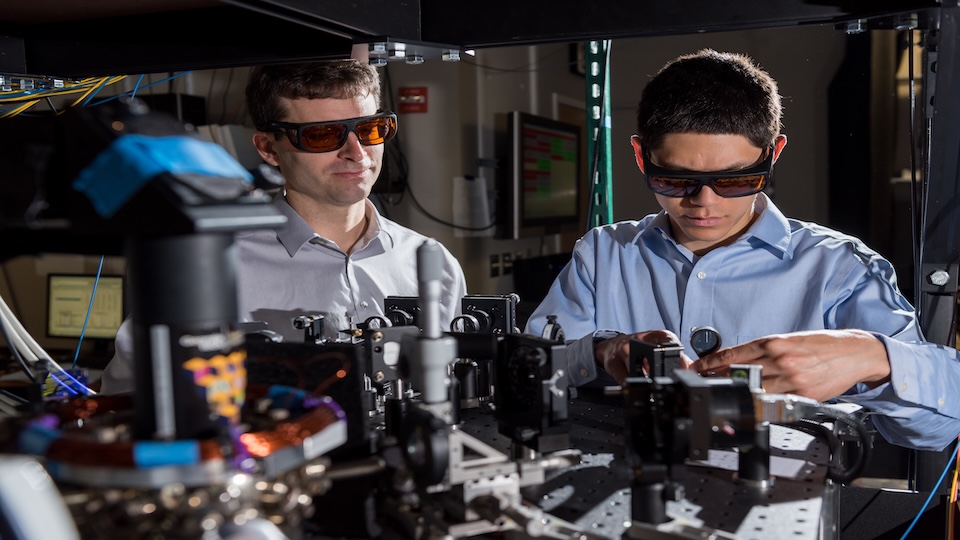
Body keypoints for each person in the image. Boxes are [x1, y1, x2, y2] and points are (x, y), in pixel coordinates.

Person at [525, 48, 960, 452]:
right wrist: (602, 351)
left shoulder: (840, 268)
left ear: (773, 156)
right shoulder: (604, 255)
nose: (704, 202)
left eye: (734, 180)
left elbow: (938, 430)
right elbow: (527, 370)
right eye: (675, 180)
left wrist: (874, 357)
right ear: (641, 156)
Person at [100, 59, 467, 393]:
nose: (357, 153)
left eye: (371, 129)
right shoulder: (208, 268)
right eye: (323, 134)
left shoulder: (431, 264)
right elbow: (128, 401)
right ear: (268, 148)